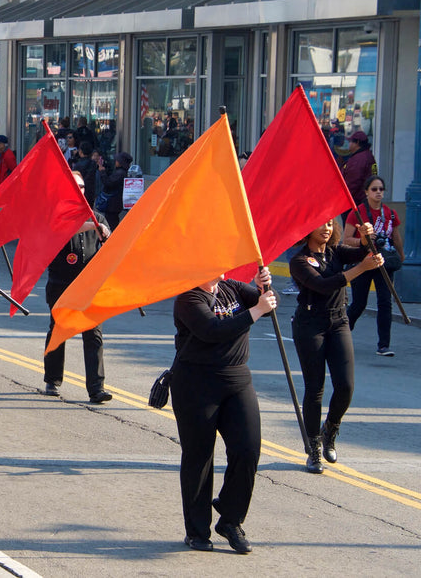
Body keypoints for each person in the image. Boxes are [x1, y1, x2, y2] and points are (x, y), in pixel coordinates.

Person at [171, 268, 277, 554]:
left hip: (237, 380)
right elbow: (213, 331)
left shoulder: (233, 288)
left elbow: (266, 306)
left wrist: (263, 287)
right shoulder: (188, 298)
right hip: (196, 383)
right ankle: (197, 530)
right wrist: (256, 311)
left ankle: (230, 519)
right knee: (199, 457)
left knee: (247, 450)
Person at [290, 219, 383, 473]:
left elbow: (361, 252)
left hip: (338, 321)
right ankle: (313, 450)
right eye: (321, 224)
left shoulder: (335, 252)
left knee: (346, 385)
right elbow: (322, 285)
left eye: (330, 224)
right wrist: (362, 269)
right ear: (307, 229)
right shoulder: (299, 261)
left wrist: (366, 239)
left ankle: (330, 429)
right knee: (315, 388)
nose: (327, 228)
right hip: (310, 325)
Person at [43, 172, 112, 402]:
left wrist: (106, 235)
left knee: (93, 333)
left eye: (81, 186)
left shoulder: (98, 218)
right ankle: (52, 379)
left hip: (89, 285)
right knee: (59, 329)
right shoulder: (56, 216)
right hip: (61, 283)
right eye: (73, 186)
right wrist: (92, 227)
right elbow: (64, 229)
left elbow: (111, 248)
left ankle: (96, 387)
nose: (78, 191)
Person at [343, 175, 402, 357]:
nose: (378, 193)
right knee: (359, 304)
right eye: (374, 189)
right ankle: (341, 334)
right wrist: (363, 241)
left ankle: (383, 345)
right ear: (367, 192)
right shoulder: (357, 213)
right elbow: (346, 240)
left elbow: (396, 237)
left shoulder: (390, 214)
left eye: (381, 189)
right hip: (363, 262)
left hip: (383, 262)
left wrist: (401, 254)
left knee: (385, 303)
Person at [340, 130, 378, 208]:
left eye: (350, 142)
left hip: (356, 202)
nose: (349, 144)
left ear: (357, 143)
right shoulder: (367, 156)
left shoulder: (359, 159)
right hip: (364, 200)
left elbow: (353, 182)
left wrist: (342, 200)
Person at [96, 151, 131, 230]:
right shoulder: (121, 172)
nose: (115, 162)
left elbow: (108, 183)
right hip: (115, 203)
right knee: (112, 221)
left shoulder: (120, 173)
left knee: (111, 223)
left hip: (113, 203)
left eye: (117, 160)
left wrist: (102, 171)